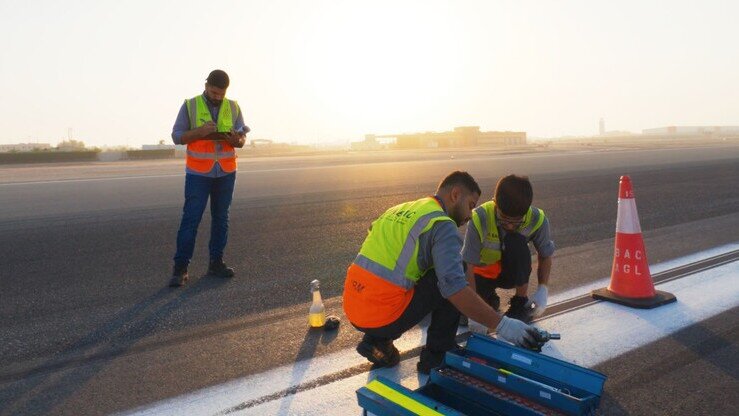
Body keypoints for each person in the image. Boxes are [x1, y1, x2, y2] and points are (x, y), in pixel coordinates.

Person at [342, 171, 544, 374]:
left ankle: (376, 341)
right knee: (452, 274)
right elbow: (454, 288)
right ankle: (437, 355)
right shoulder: (442, 225)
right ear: (456, 194)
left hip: (353, 307)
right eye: (471, 205)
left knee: (428, 267)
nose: (470, 215)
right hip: (383, 315)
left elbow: (377, 241)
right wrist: (503, 325)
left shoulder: (401, 209)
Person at [168, 69, 248, 287]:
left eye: (221, 94)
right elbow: (177, 137)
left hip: (226, 171)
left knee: (221, 218)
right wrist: (200, 132)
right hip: (198, 173)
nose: (217, 97)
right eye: (214, 92)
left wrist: (235, 139)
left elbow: (242, 140)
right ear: (206, 86)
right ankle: (180, 268)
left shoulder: (233, 107)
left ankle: (216, 263)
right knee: (191, 219)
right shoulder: (190, 105)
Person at [462, 174, 554, 324]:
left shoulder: (537, 219)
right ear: (495, 203)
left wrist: (543, 289)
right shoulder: (480, 217)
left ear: (527, 209)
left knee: (516, 241)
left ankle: (519, 302)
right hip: (482, 274)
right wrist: (474, 310)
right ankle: (488, 299)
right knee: (464, 317)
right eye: (504, 219)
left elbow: (545, 255)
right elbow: (467, 264)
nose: (510, 226)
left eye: (516, 221)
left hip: (511, 274)